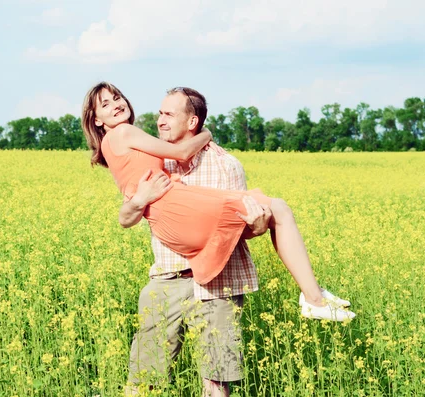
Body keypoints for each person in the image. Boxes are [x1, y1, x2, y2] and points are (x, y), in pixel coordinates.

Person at [81, 82, 355, 392]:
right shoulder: (147, 146)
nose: (160, 120)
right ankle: (314, 297)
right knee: (145, 379)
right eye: (159, 113)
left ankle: (314, 297)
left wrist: (259, 225)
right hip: (168, 279)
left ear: (192, 121)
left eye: (168, 114)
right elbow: (125, 216)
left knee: (216, 381)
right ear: (97, 119)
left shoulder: (224, 165)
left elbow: (243, 228)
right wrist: (138, 199)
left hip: (216, 283)